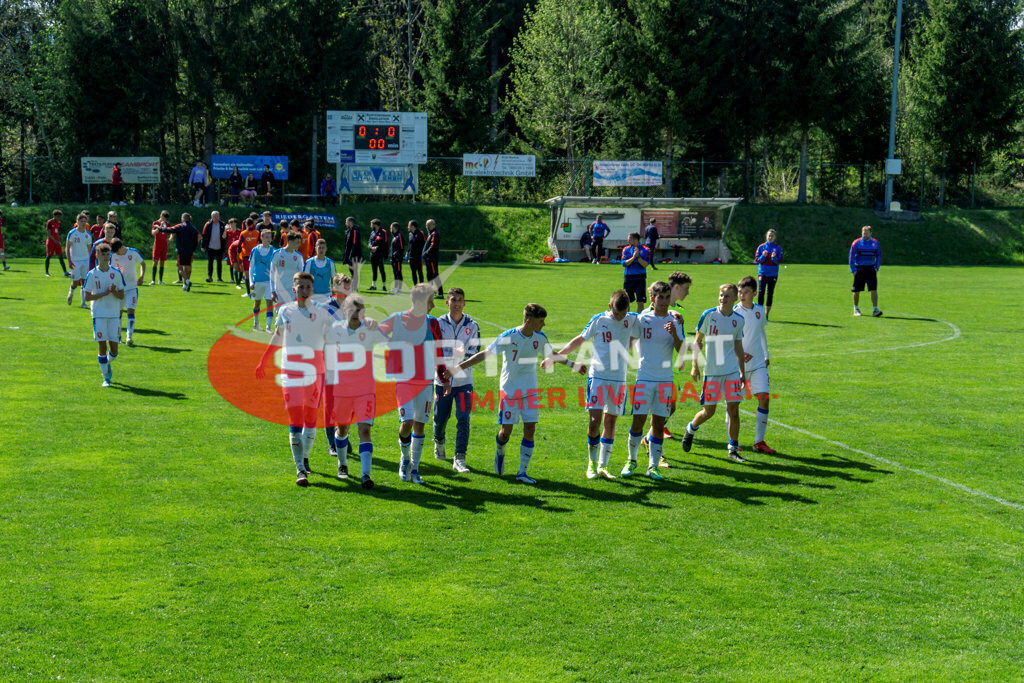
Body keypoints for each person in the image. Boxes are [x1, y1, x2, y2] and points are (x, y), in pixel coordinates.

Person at [446, 303, 552, 485]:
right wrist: (458, 367)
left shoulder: (540, 337)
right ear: (529, 321)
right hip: (509, 390)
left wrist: (571, 364)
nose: (543, 324)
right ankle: (500, 449)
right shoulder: (508, 337)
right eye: (540, 321)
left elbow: (551, 353)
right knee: (506, 432)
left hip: (530, 391)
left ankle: (522, 472)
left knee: (530, 429)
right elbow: (485, 354)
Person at [545, 290, 639, 480]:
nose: (620, 317)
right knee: (595, 420)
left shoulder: (633, 319)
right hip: (598, 376)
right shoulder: (599, 320)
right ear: (609, 306)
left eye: (623, 313)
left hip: (619, 378)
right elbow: (580, 339)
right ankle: (592, 464)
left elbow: (655, 315)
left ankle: (604, 466)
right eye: (617, 313)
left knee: (610, 421)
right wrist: (557, 356)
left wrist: (673, 313)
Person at [255, 271, 334, 486]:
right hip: (290, 371)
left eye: (308, 287)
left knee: (310, 417)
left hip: (315, 372)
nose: (305, 291)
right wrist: (264, 360)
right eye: (301, 287)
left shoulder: (322, 312)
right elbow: (278, 335)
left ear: (313, 289)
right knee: (295, 418)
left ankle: (305, 457)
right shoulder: (285, 310)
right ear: (294, 289)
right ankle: (300, 469)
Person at [378, 283, 447, 485]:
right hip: (404, 379)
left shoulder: (432, 323)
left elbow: (438, 351)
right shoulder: (397, 319)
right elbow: (377, 334)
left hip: (425, 380)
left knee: (419, 424)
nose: (433, 305)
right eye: (431, 301)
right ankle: (405, 459)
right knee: (407, 422)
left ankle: (415, 469)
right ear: (419, 302)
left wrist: (443, 378)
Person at [681, 283, 748, 463]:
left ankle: (733, 449)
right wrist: (694, 366)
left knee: (734, 410)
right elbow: (697, 342)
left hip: (731, 371)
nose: (722, 298)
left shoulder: (739, 320)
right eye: (721, 295)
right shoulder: (709, 315)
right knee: (709, 412)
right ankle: (691, 429)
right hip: (712, 372)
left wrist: (742, 371)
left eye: (727, 296)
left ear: (734, 299)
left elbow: (738, 346)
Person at [624, 281, 685, 478]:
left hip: (665, 380)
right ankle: (631, 461)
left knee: (658, 424)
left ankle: (653, 467)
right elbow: (629, 339)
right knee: (638, 421)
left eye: (667, 298)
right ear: (652, 299)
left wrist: (674, 334)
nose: (665, 302)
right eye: (661, 298)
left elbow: (681, 350)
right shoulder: (642, 319)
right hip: (644, 378)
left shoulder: (675, 321)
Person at [324, 294, 383, 488]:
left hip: (365, 389)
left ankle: (366, 475)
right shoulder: (335, 329)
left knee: (364, 429)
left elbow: (390, 342)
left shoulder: (371, 328)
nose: (356, 314)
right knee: (342, 429)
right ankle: (342, 464)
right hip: (342, 389)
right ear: (344, 311)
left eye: (359, 310)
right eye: (352, 310)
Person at [432, 287, 479, 473]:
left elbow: (476, 352)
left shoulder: (472, 325)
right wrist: (453, 351)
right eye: (453, 300)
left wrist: (462, 355)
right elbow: (434, 349)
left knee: (464, 419)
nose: (457, 303)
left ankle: (460, 458)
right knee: (440, 418)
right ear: (447, 302)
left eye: (460, 300)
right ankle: (439, 440)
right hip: (442, 380)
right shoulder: (438, 323)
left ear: (464, 303)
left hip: (464, 381)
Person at [734, 275, 776, 454]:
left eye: (746, 292)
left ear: (754, 293)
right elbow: (728, 339)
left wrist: (766, 354)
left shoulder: (759, 311)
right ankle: (733, 442)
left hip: (758, 362)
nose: (742, 296)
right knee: (734, 404)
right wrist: (740, 354)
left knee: (764, 398)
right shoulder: (734, 312)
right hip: (737, 365)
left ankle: (759, 441)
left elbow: (761, 333)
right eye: (740, 292)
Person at [83, 242, 126, 387]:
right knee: (102, 344)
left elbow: (121, 295)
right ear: (97, 255)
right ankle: (106, 378)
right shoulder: (92, 274)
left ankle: (106, 363)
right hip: (99, 314)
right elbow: (87, 297)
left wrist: (113, 292)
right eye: (103, 254)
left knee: (114, 350)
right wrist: (104, 293)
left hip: (114, 314)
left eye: (108, 254)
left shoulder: (116, 273)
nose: (106, 257)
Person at [109, 237, 146, 346]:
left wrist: (141, 276)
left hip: (132, 288)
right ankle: (118, 336)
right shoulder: (113, 255)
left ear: (121, 247)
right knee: (118, 313)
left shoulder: (133, 252)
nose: (116, 254)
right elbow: (110, 270)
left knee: (131, 311)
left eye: (117, 251)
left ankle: (129, 337)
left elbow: (143, 263)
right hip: (119, 289)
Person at [158, 213, 200, 291]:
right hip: (190, 251)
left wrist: (160, 228)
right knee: (187, 268)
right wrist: (193, 249)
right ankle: (185, 286)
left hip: (181, 251)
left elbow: (170, 229)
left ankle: (187, 281)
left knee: (179, 268)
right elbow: (197, 239)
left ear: (183, 218)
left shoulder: (181, 226)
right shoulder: (194, 228)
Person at [850, 225, 882, 317]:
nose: (864, 234)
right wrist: (853, 270)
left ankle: (875, 310)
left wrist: (877, 267)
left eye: (866, 232)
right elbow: (851, 256)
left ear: (870, 233)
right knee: (856, 290)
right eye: (863, 232)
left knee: (874, 289)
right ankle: (856, 309)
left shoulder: (875, 243)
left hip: (871, 269)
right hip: (859, 269)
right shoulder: (856, 243)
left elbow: (878, 255)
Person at [248, 229, 276, 332]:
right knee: (257, 303)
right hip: (257, 281)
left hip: (269, 281)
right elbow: (251, 267)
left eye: (270, 237)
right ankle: (256, 323)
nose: (269, 239)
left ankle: (268, 327)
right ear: (261, 238)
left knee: (269, 303)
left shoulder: (273, 251)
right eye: (266, 237)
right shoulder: (255, 250)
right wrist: (251, 281)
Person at [66, 214, 94, 307]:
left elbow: (90, 250)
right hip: (75, 261)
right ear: (77, 222)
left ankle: (83, 303)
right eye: (81, 221)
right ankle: (71, 293)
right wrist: (69, 261)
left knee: (84, 281)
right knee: (75, 282)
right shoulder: (72, 233)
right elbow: (67, 248)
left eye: (84, 221)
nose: (83, 223)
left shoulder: (88, 234)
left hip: (85, 260)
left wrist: (90, 262)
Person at [270, 231, 305, 305]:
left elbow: (301, 275)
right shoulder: (277, 254)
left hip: (292, 290)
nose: (299, 244)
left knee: (290, 311)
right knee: (279, 311)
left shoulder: (299, 256)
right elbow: (272, 272)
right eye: (297, 242)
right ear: (290, 241)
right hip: (279, 289)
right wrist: (272, 291)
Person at [754, 229, 783, 318]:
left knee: (770, 293)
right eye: (769, 236)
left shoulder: (778, 248)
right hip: (762, 273)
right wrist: (763, 256)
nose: (770, 237)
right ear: (766, 236)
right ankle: (760, 312)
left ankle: (766, 314)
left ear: (775, 237)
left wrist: (774, 258)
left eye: (772, 236)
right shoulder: (761, 247)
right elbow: (757, 260)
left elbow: (779, 261)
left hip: (773, 274)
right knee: (761, 292)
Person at [621, 231, 650, 313]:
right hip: (628, 277)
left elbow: (645, 264)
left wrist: (638, 257)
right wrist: (633, 257)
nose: (627, 241)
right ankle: (626, 318)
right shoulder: (626, 249)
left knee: (640, 301)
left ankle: (639, 319)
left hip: (640, 277)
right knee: (626, 301)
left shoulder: (646, 250)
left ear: (635, 240)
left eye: (629, 239)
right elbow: (624, 263)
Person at [303, 238, 337, 303]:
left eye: (323, 248)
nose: (321, 250)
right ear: (315, 248)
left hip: (326, 295)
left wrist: (333, 292)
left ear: (326, 249)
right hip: (312, 295)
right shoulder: (309, 262)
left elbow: (334, 279)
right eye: (319, 248)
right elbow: (304, 279)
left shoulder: (330, 263)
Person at [237, 218, 261, 298]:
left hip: (246, 255)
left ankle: (248, 292)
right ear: (253, 224)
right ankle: (256, 292)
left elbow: (239, 245)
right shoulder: (257, 232)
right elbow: (260, 242)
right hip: (255, 255)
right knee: (255, 273)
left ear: (246, 224)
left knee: (247, 274)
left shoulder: (243, 233)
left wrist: (238, 253)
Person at [201, 211, 227, 283]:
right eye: (214, 216)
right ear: (211, 217)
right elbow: (204, 235)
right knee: (210, 263)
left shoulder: (223, 224)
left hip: (220, 247)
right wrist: (203, 246)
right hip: (210, 247)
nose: (216, 217)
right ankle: (210, 277)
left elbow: (226, 235)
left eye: (217, 216)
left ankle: (219, 278)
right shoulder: (208, 224)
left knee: (219, 263)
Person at [149, 210, 172, 285]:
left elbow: (172, 232)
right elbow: (153, 233)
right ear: (160, 216)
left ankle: (160, 280)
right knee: (155, 262)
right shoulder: (155, 223)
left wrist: (170, 238)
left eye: (165, 219)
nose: (164, 220)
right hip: (157, 245)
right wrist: (159, 228)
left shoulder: (167, 224)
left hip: (164, 245)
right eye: (163, 218)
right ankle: (153, 280)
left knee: (162, 263)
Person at [44, 209, 69, 277]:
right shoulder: (49, 222)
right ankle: (46, 272)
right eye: (58, 216)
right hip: (50, 242)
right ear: (54, 216)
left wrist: (58, 240)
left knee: (60, 256)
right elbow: (48, 233)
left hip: (57, 242)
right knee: (49, 256)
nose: (59, 218)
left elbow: (56, 233)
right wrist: (54, 240)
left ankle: (65, 272)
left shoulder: (58, 223)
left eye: (60, 217)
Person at [423, 218, 443, 299]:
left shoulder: (434, 233)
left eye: (428, 225)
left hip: (432, 259)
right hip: (429, 259)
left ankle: (440, 293)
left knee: (435, 275)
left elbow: (433, 246)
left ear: (432, 225)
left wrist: (426, 253)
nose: (426, 227)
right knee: (429, 276)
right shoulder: (430, 234)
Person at [367, 218, 388, 291]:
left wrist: (377, 247)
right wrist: (371, 247)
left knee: (382, 270)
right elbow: (369, 241)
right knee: (374, 270)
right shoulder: (372, 232)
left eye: (371, 224)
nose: (371, 226)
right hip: (372, 254)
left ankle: (384, 286)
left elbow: (384, 243)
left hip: (380, 254)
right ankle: (374, 285)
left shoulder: (383, 232)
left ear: (375, 225)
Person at [407, 220, 425, 285]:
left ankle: (422, 286)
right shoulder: (410, 234)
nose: (408, 227)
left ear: (413, 226)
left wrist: (422, 254)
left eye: (409, 225)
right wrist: (408, 254)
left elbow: (424, 244)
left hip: (418, 257)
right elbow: (410, 245)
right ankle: (415, 286)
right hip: (411, 257)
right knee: (413, 272)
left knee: (420, 272)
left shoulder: (420, 233)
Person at [389, 222, 405, 294]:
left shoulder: (399, 236)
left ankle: (400, 289)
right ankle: (395, 288)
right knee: (395, 273)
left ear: (394, 228)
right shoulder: (394, 236)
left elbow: (401, 247)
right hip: (393, 258)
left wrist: (396, 254)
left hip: (397, 259)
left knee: (398, 272)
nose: (390, 229)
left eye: (391, 227)